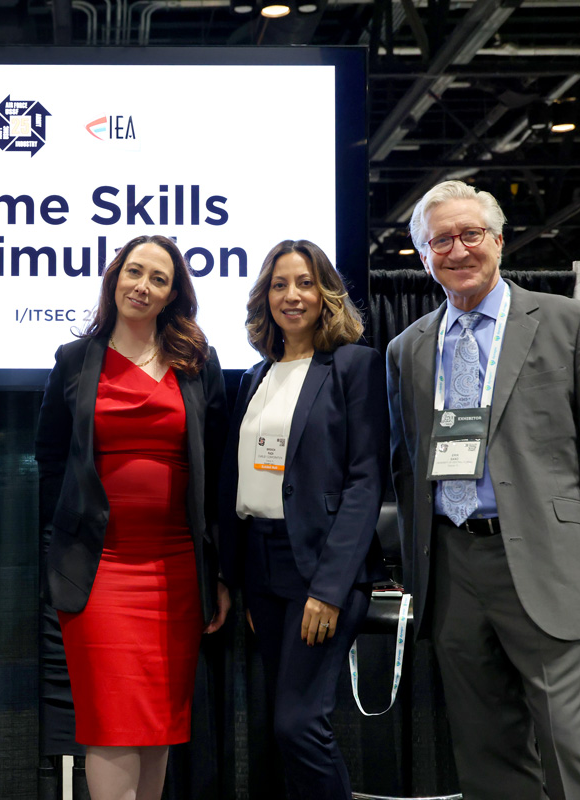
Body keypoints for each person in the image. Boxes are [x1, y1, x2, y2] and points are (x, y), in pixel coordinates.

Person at [387, 180, 580, 800]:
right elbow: (407, 466)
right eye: (440, 241)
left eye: (470, 234)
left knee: (572, 753)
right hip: (452, 569)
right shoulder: (407, 349)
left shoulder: (571, 323)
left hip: (545, 564)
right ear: (425, 257)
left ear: (499, 240)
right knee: (485, 755)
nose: (457, 250)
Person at [35, 234, 230, 800]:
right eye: (133, 271)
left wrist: (215, 570)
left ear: (173, 295)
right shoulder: (74, 359)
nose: (142, 286)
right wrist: (64, 531)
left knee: (159, 726)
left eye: (159, 279)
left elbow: (216, 469)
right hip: (100, 571)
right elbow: (49, 456)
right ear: (115, 276)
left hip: (176, 572)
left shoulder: (198, 363)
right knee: (113, 724)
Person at [217, 239, 387, 798]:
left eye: (305, 283)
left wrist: (330, 589)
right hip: (264, 567)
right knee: (280, 726)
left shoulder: (354, 366)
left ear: (327, 294)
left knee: (299, 723)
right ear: (264, 297)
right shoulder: (254, 376)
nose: (292, 296)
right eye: (279, 284)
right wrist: (235, 578)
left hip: (321, 569)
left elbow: (365, 483)